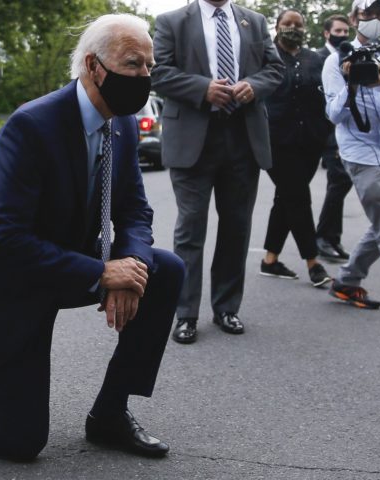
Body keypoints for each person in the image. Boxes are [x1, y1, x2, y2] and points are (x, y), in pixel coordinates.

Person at [0, 14, 185, 460]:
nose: (145, 76)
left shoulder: (120, 123)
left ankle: (109, 413)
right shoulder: (31, 127)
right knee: (19, 438)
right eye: (133, 63)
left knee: (165, 270)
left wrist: (131, 269)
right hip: (7, 282)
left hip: (63, 265)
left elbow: (135, 210)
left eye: (149, 67)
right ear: (93, 66)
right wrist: (103, 273)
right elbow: (5, 241)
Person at [151, 0, 284, 344]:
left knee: (236, 228)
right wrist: (202, 88)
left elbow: (275, 69)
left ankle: (226, 307)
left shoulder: (254, 21)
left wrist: (254, 86)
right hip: (194, 139)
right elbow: (158, 72)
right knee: (190, 229)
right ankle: (186, 314)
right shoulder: (171, 22)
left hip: (243, 139)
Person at [323, 0, 380, 309]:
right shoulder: (337, 60)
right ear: (354, 18)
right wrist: (351, 83)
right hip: (360, 154)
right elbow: (334, 115)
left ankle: (348, 281)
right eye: (367, 13)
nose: (374, 19)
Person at [259, 9, 333, 287]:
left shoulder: (317, 59)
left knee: (287, 198)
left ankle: (270, 259)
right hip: (276, 142)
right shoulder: (266, 58)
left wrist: (327, 137)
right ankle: (313, 262)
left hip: (311, 142)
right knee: (298, 197)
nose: (293, 28)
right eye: (287, 24)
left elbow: (326, 99)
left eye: (298, 24)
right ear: (277, 27)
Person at [316, 14, 354, 262]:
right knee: (339, 180)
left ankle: (332, 237)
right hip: (327, 129)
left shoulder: (350, 56)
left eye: (345, 30)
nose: (342, 34)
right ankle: (323, 237)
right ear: (327, 34)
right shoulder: (319, 58)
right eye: (338, 30)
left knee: (341, 182)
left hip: (345, 129)